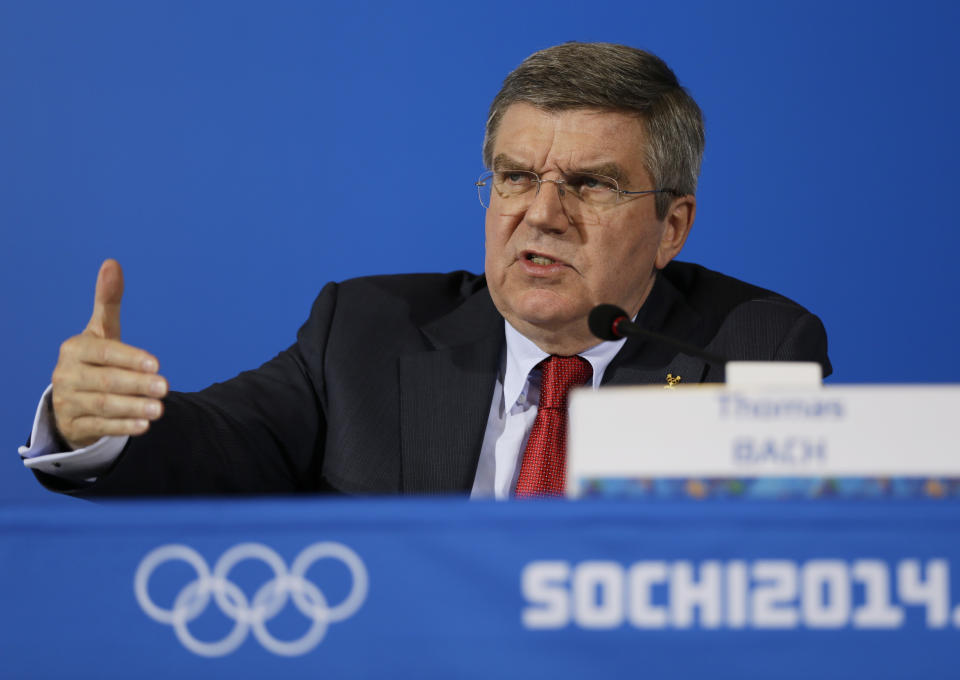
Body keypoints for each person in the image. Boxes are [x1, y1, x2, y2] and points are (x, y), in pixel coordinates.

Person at [19, 42, 830, 498]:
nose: (541, 214)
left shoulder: (749, 348)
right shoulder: (366, 334)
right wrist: (98, 425)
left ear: (671, 227)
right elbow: (219, 443)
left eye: (589, 184)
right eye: (516, 177)